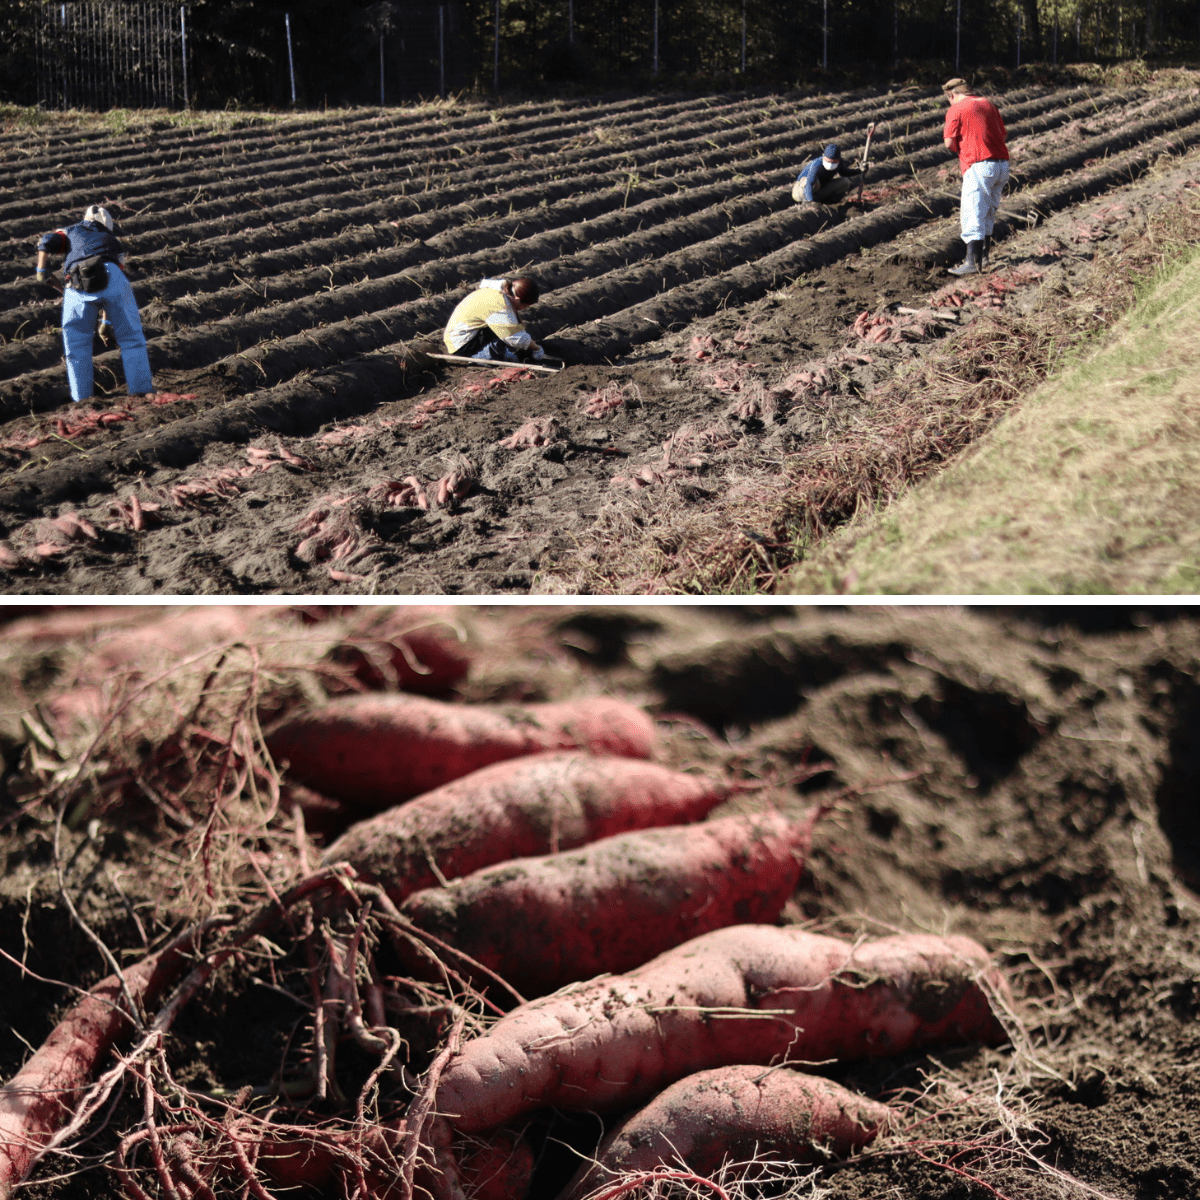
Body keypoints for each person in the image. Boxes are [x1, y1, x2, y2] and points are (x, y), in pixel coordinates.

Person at [36, 204, 154, 403]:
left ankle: (81, 399)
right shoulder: (113, 241)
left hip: (77, 281)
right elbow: (111, 286)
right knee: (131, 339)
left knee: (76, 345)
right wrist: (106, 324)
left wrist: (41, 271)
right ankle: (142, 391)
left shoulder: (70, 230)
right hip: (113, 276)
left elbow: (46, 241)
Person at [942, 78, 1010, 275]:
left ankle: (972, 263)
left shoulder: (957, 108)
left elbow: (948, 143)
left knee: (972, 212)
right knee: (988, 211)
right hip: (1001, 165)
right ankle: (985, 258)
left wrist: (961, 149)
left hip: (979, 165)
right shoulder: (988, 104)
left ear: (951, 94)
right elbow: (1002, 134)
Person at [442, 276, 550, 363]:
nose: (523, 309)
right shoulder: (498, 303)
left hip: (465, 335)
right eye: (525, 306)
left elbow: (511, 328)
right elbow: (513, 337)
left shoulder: (498, 292)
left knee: (511, 338)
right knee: (510, 352)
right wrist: (536, 348)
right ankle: (477, 357)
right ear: (517, 300)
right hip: (462, 345)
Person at [792, 144, 861, 206]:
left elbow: (844, 173)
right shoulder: (816, 165)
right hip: (800, 191)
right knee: (815, 182)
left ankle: (827, 201)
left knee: (845, 182)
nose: (831, 164)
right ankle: (807, 202)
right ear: (823, 157)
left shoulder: (839, 163)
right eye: (828, 161)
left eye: (834, 162)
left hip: (819, 190)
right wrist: (810, 201)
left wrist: (860, 170)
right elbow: (809, 183)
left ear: (838, 160)